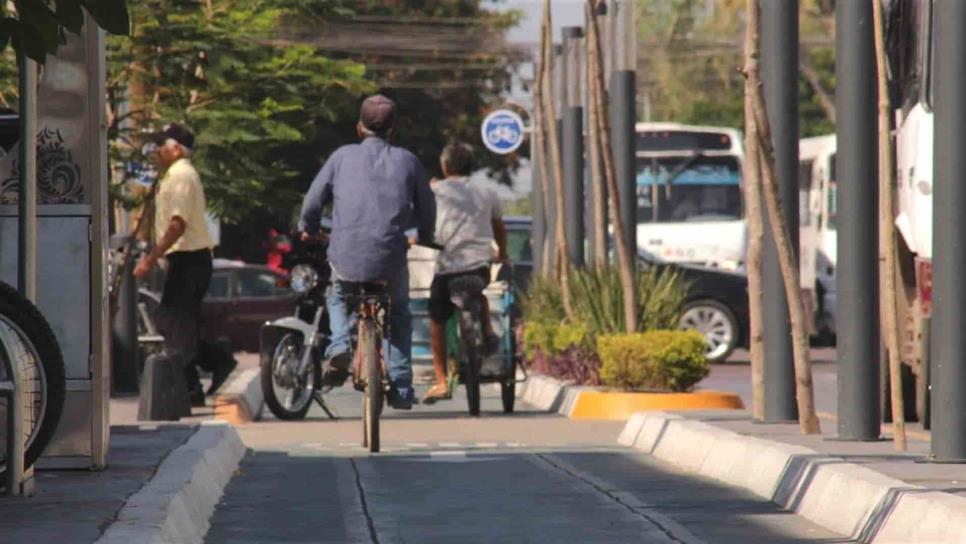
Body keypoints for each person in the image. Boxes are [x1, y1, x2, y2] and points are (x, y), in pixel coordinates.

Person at [299, 95, 436, 410]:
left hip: (345, 255)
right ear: (393, 129)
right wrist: (425, 235)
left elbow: (312, 202)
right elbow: (428, 207)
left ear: (359, 127)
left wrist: (308, 227)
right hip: (391, 258)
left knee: (337, 296)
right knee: (400, 312)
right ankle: (401, 386)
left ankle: (337, 346)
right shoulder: (408, 160)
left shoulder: (341, 157)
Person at [134, 123, 234, 405]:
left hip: (189, 258)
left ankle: (198, 380)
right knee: (179, 324)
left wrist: (150, 259)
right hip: (187, 259)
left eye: (161, 146)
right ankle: (206, 372)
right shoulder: (176, 175)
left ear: (176, 148)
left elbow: (177, 224)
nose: (156, 152)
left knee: (174, 323)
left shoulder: (181, 176)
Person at [421, 142, 508, 404]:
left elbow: (421, 222)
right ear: (471, 166)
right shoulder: (487, 192)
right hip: (478, 269)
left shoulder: (436, 191)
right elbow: (498, 228)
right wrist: (503, 253)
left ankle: (440, 381)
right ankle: (489, 331)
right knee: (476, 292)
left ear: (445, 166)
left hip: (447, 269)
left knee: (437, 320)